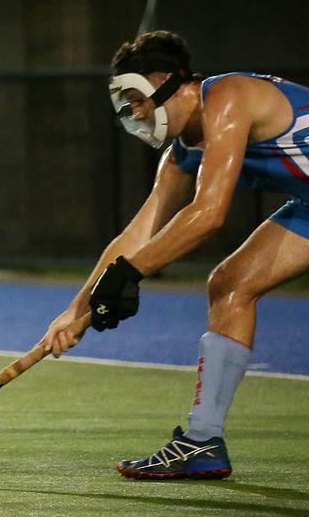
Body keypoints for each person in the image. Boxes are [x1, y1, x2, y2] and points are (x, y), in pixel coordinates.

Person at [42, 30, 309, 480]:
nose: (135, 111)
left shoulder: (228, 97)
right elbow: (140, 232)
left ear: (166, 81)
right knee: (230, 284)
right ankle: (203, 443)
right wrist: (78, 308)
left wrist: (128, 276)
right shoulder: (183, 151)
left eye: (137, 97)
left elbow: (208, 215)